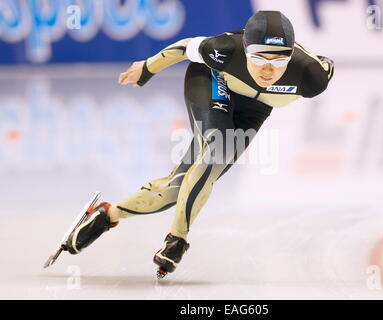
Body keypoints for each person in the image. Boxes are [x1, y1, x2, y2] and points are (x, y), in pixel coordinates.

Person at [64, 10, 334, 278]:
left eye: (278, 62)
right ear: (244, 49)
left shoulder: (310, 76)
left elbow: (324, 64)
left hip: (255, 110)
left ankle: (106, 215)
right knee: (217, 151)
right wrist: (147, 68)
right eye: (258, 57)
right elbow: (184, 47)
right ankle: (177, 239)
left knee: (177, 190)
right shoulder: (225, 50)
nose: (267, 70)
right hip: (213, 82)